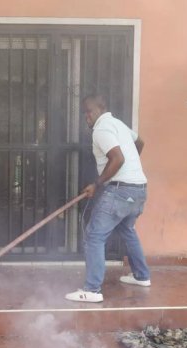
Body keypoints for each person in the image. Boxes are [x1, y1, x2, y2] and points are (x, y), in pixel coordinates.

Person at [66, 95, 151, 302]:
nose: (87, 116)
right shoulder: (118, 124)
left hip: (121, 190)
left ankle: (92, 290)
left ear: (101, 109)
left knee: (94, 236)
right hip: (139, 188)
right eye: (84, 112)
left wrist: (96, 184)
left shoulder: (102, 129)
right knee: (127, 230)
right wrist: (132, 165)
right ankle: (142, 276)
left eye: (90, 111)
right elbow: (139, 142)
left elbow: (118, 158)